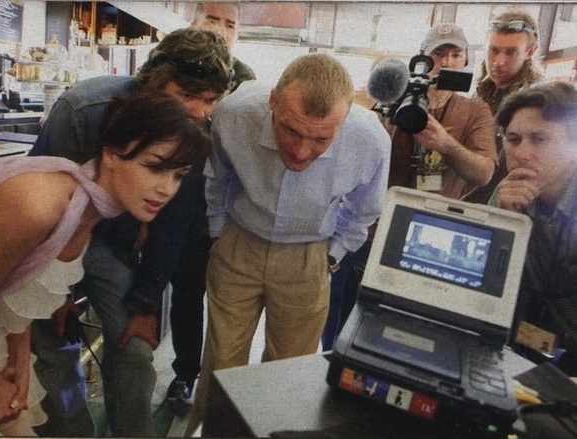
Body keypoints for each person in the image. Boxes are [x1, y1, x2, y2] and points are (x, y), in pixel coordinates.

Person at [0, 92, 211, 436]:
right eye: (155, 167)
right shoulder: (39, 205)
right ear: (112, 154)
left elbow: (18, 288)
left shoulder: (89, 206)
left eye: (178, 175)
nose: (166, 189)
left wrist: (19, 362)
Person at [28, 28, 233, 437]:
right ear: (152, 80)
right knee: (51, 342)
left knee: (135, 349)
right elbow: (38, 207)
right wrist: (56, 292)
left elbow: (171, 228)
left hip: (109, 245)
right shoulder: (82, 111)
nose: (198, 111)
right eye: (186, 95)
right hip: (47, 238)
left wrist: (144, 304)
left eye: (210, 100)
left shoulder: (195, 132)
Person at [187, 53, 391, 433]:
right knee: (219, 365)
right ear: (273, 102)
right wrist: (219, 235)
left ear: (345, 119)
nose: (300, 151)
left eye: (321, 139)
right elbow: (218, 178)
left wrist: (330, 257)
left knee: (286, 376)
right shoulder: (233, 113)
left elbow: (364, 211)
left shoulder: (371, 141)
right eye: (291, 130)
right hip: (238, 242)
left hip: (310, 254)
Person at [321, 24, 499, 350]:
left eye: (455, 54)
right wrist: (389, 117)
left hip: (433, 240)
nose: (447, 62)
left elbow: (484, 172)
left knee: (408, 333)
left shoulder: (475, 110)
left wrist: (445, 143)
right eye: (438, 54)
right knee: (343, 325)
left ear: (466, 60)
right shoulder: (394, 97)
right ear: (423, 61)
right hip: (372, 233)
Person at [166, 1, 256, 410]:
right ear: (194, 22)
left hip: (228, 211)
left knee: (229, 303)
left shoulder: (246, 81)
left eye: (230, 23)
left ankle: (222, 384)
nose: (221, 29)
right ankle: (185, 374)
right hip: (177, 202)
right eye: (212, 19)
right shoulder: (172, 69)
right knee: (186, 295)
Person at [489, 82, 577, 376]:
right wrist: (504, 222)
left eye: (539, 139)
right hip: (519, 347)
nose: (522, 153)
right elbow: (483, 284)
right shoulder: (507, 195)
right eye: (513, 140)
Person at [463, 9, 545, 204]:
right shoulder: (483, 90)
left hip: (500, 204)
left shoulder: (535, 101)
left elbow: (502, 172)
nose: (499, 62)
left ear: (530, 52)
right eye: (494, 50)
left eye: (511, 52)